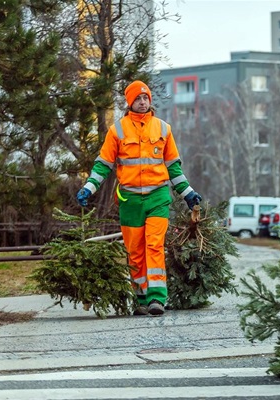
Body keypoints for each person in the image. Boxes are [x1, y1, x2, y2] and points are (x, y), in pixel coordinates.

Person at [76, 80, 202, 316]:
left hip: (158, 197)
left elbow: (173, 167)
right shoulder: (118, 131)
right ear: (130, 102)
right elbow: (103, 165)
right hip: (130, 201)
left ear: (150, 100)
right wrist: (88, 188)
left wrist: (188, 194)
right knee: (135, 251)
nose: (143, 102)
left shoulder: (163, 129)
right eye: (138, 99)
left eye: (146, 98)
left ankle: (157, 299)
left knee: (154, 245)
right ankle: (141, 298)